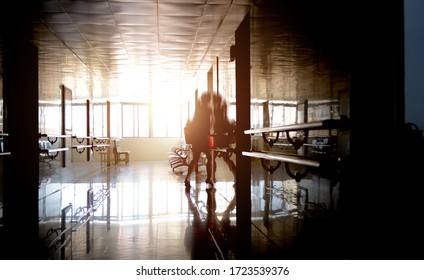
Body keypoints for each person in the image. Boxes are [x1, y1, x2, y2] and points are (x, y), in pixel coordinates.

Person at [184, 92, 213, 192]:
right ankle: (208, 179)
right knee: (209, 157)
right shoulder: (207, 110)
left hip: (197, 139)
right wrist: (210, 133)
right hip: (203, 138)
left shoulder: (198, 109)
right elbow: (207, 125)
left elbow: (195, 123)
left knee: (195, 159)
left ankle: (187, 178)